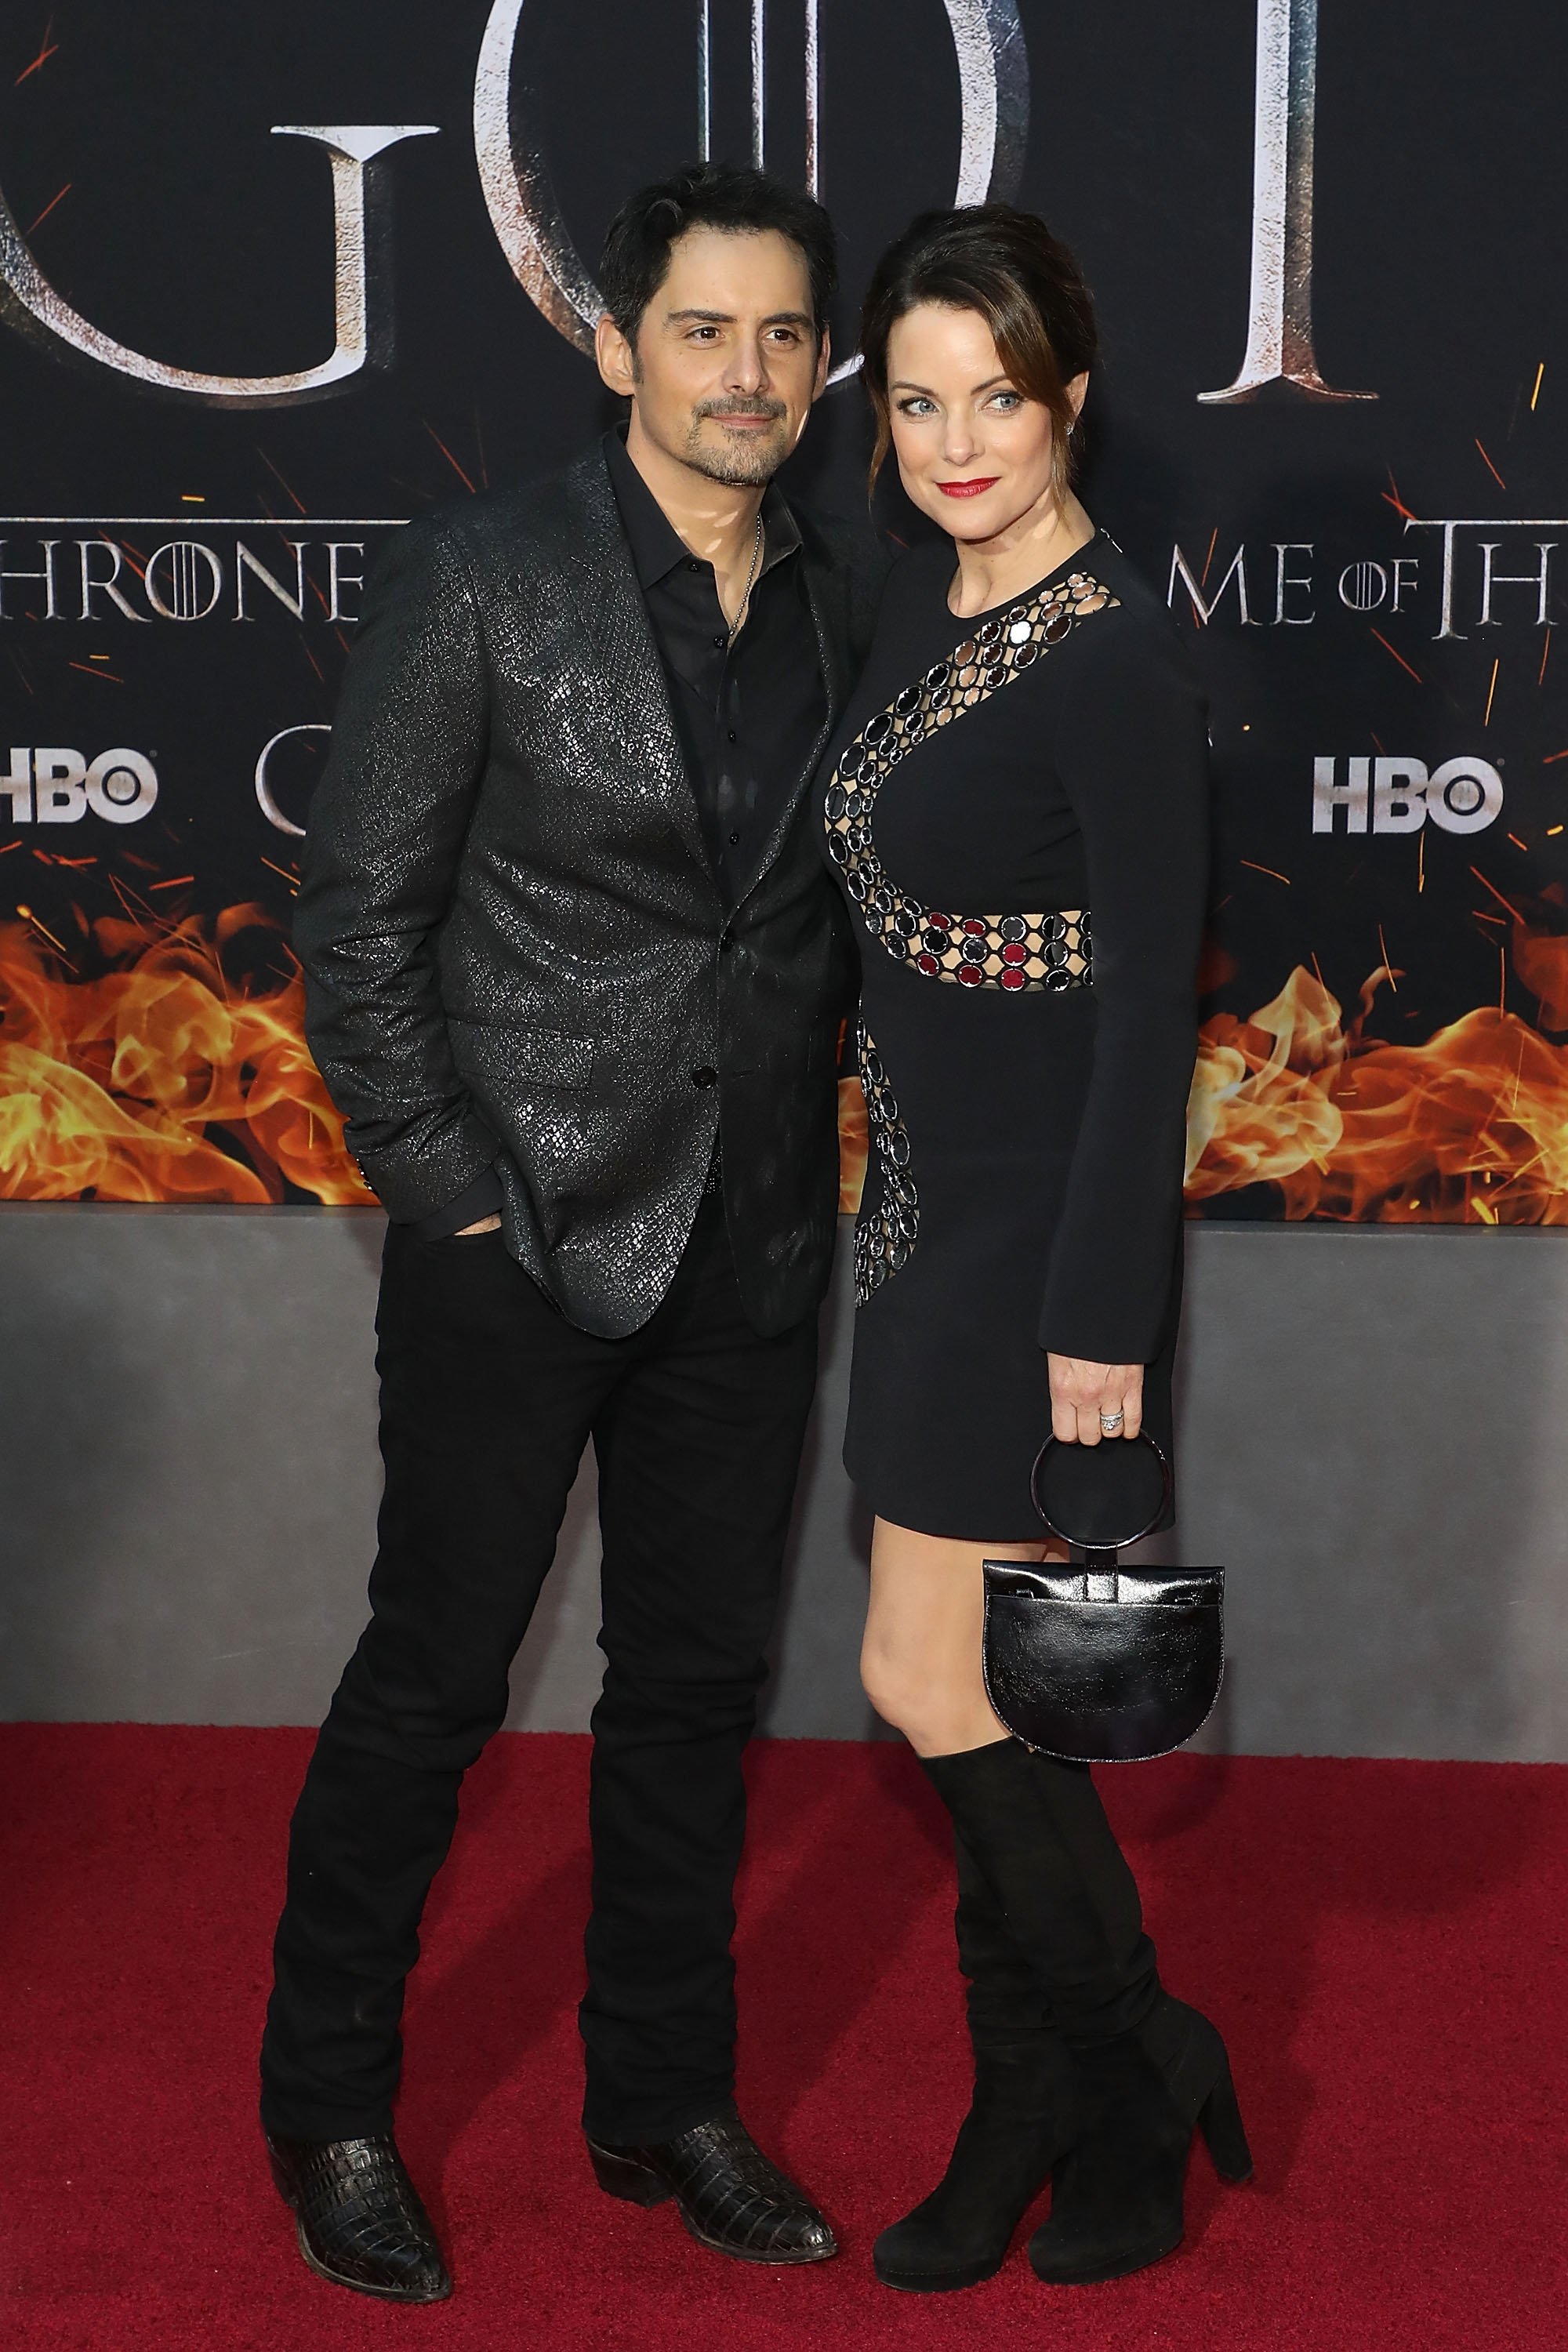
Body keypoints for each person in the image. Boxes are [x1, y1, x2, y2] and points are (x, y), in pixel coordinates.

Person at [261, 160, 884, 2302]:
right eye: (704, 329)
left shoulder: (848, 593)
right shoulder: (481, 576)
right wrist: (448, 1198)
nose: (751, 372)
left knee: (695, 1692)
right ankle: (329, 2109)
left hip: (756, 1240)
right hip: (514, 1231)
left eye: (788, 334)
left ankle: (664, 2099)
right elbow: (355, 923)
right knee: (435, 1680)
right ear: (617, 344)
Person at [819, 205, 1250, 2294]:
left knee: (932, 1673)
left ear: (1069, 400)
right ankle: (1041, 2105)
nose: (958, 438)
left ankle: (1135, 2055)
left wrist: (1102, 1318)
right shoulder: (917, 603)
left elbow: (1144, 1009)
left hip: (1029, 1245)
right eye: (917, 401)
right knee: (978, 1687)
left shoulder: (1121, 657)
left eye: (998, 395)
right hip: (913, 1219)